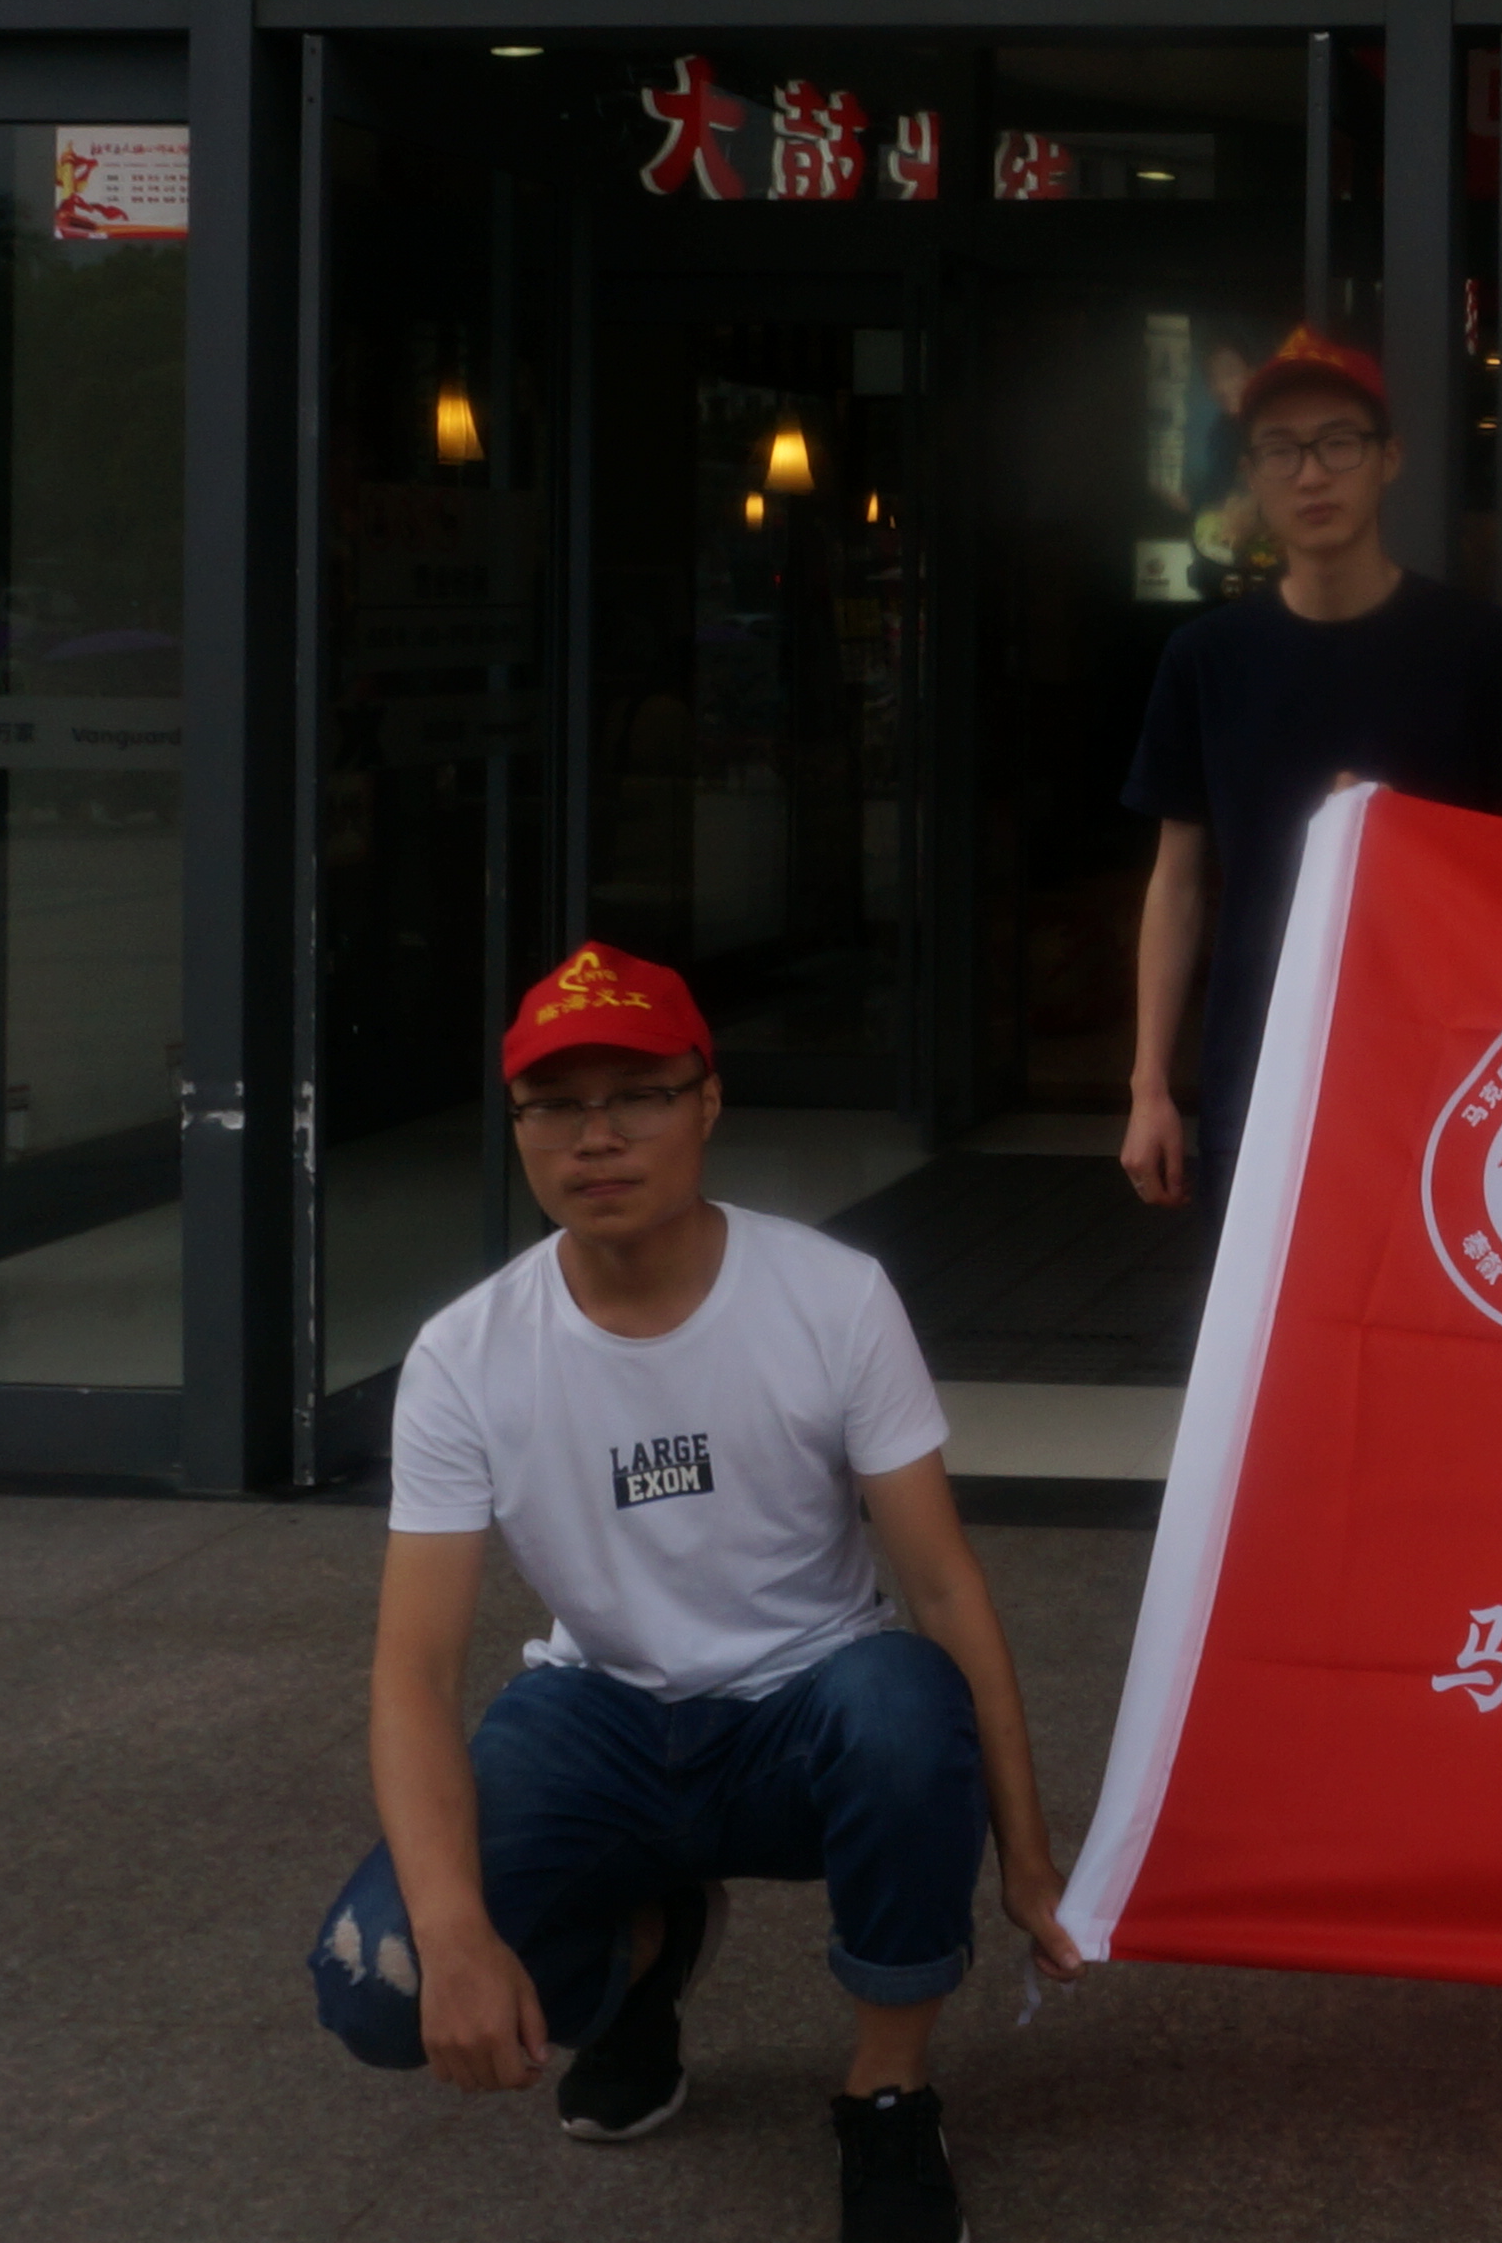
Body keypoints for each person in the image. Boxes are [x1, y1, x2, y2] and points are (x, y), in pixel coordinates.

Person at [311, 944, 1080, 2243]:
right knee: (376, 1985)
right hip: (597, 1716)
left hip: (808, 1711)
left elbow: (944, 1590)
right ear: (517, 1128)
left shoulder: (831, 1298)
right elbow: (415, 1671)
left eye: (638, 1095)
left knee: (904, 1705)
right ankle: (639, 1965)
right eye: (556, 1106)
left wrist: (1031, 1861)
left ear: (708, 1102)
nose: (596, 1137)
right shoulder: (465, 1354)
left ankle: (888, 2091)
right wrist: (453, 1933)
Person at [1123, 328, 1502, 1208]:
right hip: (1261, 1058)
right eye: (1281, 451)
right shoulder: (1207, 658)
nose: (1311, 475)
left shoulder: (1477, 647)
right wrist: (1149, 1087)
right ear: (1250, 475)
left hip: (1450, 1063)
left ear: (1389, 459)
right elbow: (1177, 881)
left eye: (1338, 444)